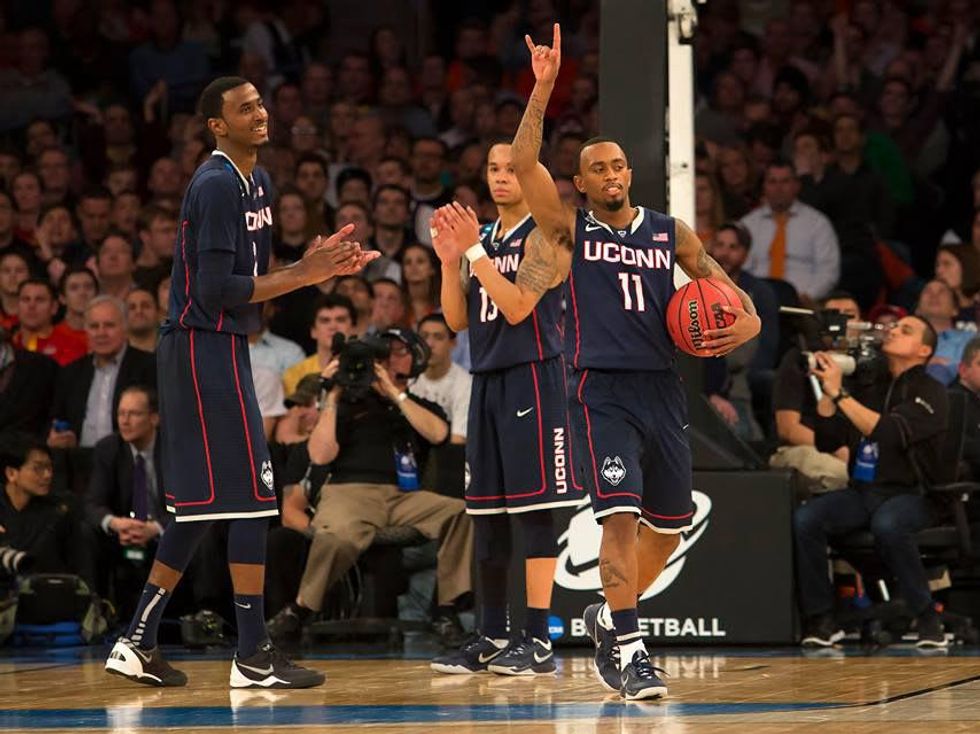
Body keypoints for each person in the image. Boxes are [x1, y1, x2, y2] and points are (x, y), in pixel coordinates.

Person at [504, 25, 760, 699]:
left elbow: (728, 290)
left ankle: (604, 618)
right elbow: (526, 162)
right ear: (581, 183)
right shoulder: (567, 231)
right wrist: (544, 88)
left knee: (670, 528)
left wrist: (746, 323)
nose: (614, 175)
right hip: (600, 390)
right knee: (618, 516)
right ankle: (632, 645)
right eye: (600, 168)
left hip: (663, 390)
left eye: (620, 165)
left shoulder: (667, 230)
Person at [104, 76, 376, 690]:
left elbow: (251, 278)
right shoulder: (218, 182)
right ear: (217, 125)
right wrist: (305, 275)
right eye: (243, 107)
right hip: (200, 347)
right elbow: (214, 290)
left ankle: (146, 641)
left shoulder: (258, 181)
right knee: (243, 499)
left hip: (222, 347)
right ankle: (243, 652)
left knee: (227, 504)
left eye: (260, 102)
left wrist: (314, 265)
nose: (260, 112)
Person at [428, 139, 582, 677]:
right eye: (493, 168)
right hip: (487, 382)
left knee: (535, 513)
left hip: (536, 380)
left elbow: (517, 308)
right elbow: (456, 322)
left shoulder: (547, 234)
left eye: (511, 168)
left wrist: (472, 254)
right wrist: (451, 264)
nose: (500, 177)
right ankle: (491, 635)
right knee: (486, 515)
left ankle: (537, 640)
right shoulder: (484, 236)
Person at [265, 328, 472, 642]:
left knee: (462, 512)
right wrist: (332, 394)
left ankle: (445, 610)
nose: (389, 357)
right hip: (349, 492)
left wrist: (394, 392)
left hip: (404, 497)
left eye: (400, 351)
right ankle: (300, 608)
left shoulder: (418, 405)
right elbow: (321, 455)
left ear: (416, 359)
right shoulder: (347, 404)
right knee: (337, 537)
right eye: (385, 351)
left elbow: (438, 434)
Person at [797, 316, 949, 648]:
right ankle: (822, 620)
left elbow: (890, 434)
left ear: (923, 350)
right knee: (807, 518)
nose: (893, 330)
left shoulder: (932, 392)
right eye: (894, 327)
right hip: (864, 491)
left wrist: (840, 394)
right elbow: (827, 440)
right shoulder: (871, 385)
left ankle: (927, 618)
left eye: (905, 330)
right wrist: (827, 394)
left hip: (916, 493)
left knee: (889, 523)